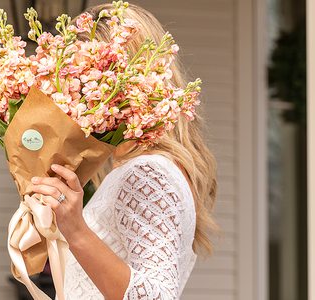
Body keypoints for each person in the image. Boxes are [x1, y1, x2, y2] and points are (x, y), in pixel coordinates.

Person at [29, 3, 218, 299]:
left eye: (85, 76)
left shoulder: (148, 172)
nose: (73, 91)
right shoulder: (148, 167)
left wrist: (76, 231)